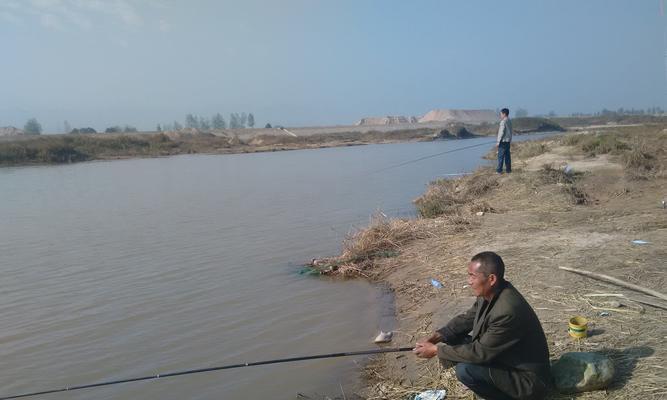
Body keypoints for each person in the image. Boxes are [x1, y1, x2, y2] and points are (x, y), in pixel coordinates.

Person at [413, 252, 551, 400]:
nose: (469, 281)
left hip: (529, 382)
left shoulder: (507, 311)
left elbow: (479, 353)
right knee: (452, 338)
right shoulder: (491, 293)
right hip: (508, 360)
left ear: (491, 279)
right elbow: (467, 319)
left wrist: (435, 350)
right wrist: (435, 338)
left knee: (466, 370)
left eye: (472, 276)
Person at [496, 108, 512, 173]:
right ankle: (508, 170)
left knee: (500, 156)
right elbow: (510, 132)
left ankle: (499, 171)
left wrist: (497, 142)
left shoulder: (503, 121)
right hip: (508, 141)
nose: (500, 115)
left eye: (501, 114)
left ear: (504, 114)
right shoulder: (509, 121)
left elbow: (501, 132)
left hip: (502, 142)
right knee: (507, 156)